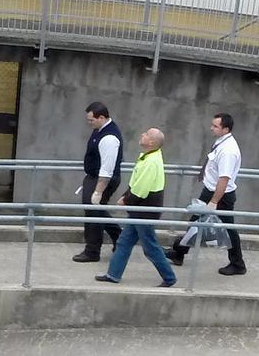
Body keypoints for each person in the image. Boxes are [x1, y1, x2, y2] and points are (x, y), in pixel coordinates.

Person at [165, 113, 247, 275]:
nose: (211, 128)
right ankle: (179, 252)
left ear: (226, 129)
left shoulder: (228, 151)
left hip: (220, 195)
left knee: (228, 228)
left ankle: (238, 264)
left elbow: (224, 179)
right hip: (210, 191)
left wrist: (214, 201)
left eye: (215, 126)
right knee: (195, 221)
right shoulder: (221, 142)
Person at [95, 128, 177, 287]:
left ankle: (169, 277)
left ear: (152, 142)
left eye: (146, 134)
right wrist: (126, 196)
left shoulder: (151, 161)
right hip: (139, 210)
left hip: (144, 211)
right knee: (124, 242)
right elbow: (137, 182)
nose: (142, 135)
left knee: (150, 247)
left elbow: (141, 189)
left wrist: (127, 200)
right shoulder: (149, 157)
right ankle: (113, 274)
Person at [73, 102, 123, 262]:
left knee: (94, 212)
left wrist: (98, 191)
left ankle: (92, 251)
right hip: (94, 177)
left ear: (101, 117)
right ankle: (119, 237)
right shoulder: (99, 130)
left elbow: (107, 168)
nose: (89, 123)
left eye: (91, 120)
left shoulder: (109, 137)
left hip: (102, 179)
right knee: (96, 210)